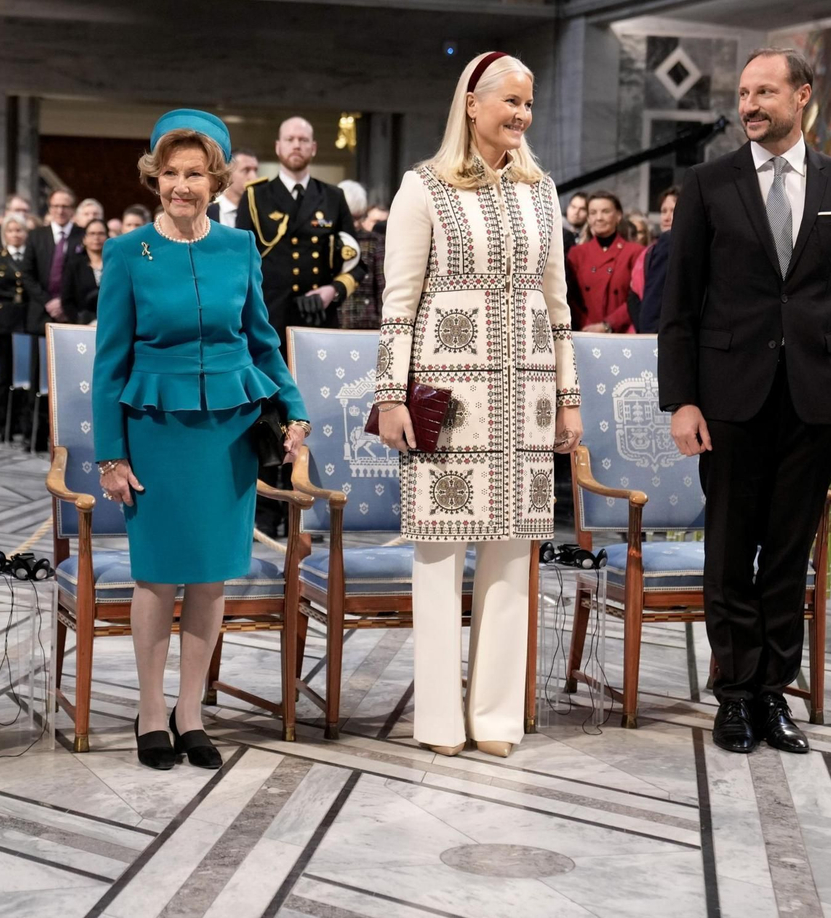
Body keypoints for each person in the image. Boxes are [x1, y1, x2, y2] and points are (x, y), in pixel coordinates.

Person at [660, 47, 831, 757]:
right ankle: (733, 695)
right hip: (728, 399)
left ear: (802, 96)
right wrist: (682, 401)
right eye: (744, 92)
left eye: (764, 92)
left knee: (788, 558)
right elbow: (680, 306)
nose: (750, 104)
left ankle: (771, 693)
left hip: (817, 400)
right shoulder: (708, 183)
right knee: (729, 554)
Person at [374, 52, 580, 759]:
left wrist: (568, 399)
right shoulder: (422, 188)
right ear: (472, 102)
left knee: (514, 561)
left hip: (524, 398)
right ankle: (438, 720)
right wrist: (390, 396)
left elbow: (559, 308)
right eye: (511, 102)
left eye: (528, 104)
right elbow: (397, 306)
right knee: (437, 562)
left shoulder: (541, 191)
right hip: (447, 397)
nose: (522, 115)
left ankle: (494, 718)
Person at [93, 109, 308, 772]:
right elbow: (110, 359)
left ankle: (192, 712)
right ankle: (151, 710)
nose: (181, 185)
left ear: (216, 180)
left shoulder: (239, 248)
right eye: (170, 173)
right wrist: (110, 452)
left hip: (230, 432)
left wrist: (294, 408)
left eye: (195, 173)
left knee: (211, 579)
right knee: (157, 578)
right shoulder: (129, 253)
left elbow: (262, 341)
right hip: (155, 428)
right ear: (154, 177)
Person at [235, 117, 366, 346]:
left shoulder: (333, 197)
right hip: (269, 318)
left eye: (303, 140)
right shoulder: (256, 196)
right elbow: (240, 262)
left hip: (319, 318)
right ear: (278, 146)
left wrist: (333, 290)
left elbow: (356, 264)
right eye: (290, 139)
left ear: (313, 148)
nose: (296, 145)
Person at [567, 190, 641, 333]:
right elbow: (570, 298)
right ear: (588, 218)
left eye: (606, 211)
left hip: (622, 335)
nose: (599, 218)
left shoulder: (634, 253)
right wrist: (587, 325)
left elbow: (637, 296)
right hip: (585, 334)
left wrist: (608, 325)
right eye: (593, 212)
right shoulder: (576, 254)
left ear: (618, 216)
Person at [0, 216, 31, 420]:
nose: (15, 234)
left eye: (19, 230)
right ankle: (1, 417)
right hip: (3, 320)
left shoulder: (31, 256)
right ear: (4, 234)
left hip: (26, 318)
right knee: (5, 372)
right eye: (10, 231)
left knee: (24, 372)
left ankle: (20, 417)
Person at [23, 188, 78, 332]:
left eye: (65, 206)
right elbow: (27, 274)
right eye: (56, 206)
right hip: (41, 312)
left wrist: (63, 303)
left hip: (72, 314)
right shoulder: (36, 236)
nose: (60, 211)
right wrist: (48, 301)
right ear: (50, 208)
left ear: (72, 209)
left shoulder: (83, 236)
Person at [339, 180, 385, 329]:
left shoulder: (374, 241)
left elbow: (382, 286)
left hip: (367, 324)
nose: (356, 224)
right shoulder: (326, 240)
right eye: (351, 218)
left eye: (359, 218)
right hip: (332, 323)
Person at [633, 185, 677, 333]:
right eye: (664, 211)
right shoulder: (651, 249)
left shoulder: (671, 243)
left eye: (673, 210)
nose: (667, 217)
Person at [62, 217, 107, 324]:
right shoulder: (74, 265)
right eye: (92, 233)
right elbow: (67, 300)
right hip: (83, 324)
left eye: (101, 233)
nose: (96, 237)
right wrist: (80, 321)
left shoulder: (116, 264)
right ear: (84, 239)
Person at [208, 146, 259, 229]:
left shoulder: (260, 213)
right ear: (228, 173)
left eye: (255, 170)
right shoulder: (207, 213)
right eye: (246, 170)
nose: (253, 177)